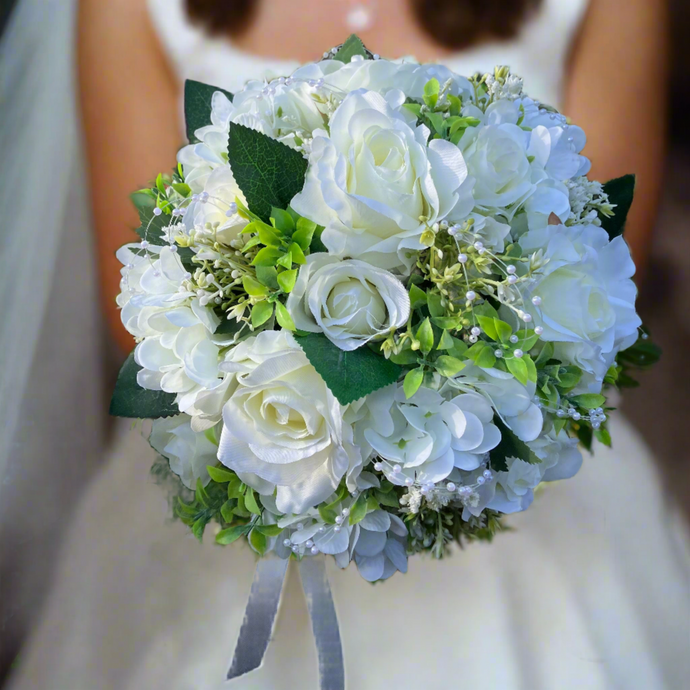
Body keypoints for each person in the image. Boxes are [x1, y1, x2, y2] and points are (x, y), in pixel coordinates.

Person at [7, 0, 690, 689]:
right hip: (234, 475)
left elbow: (597, 278)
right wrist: (307, 412)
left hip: (520, 490)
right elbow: (139, 306)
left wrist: (433, 391)